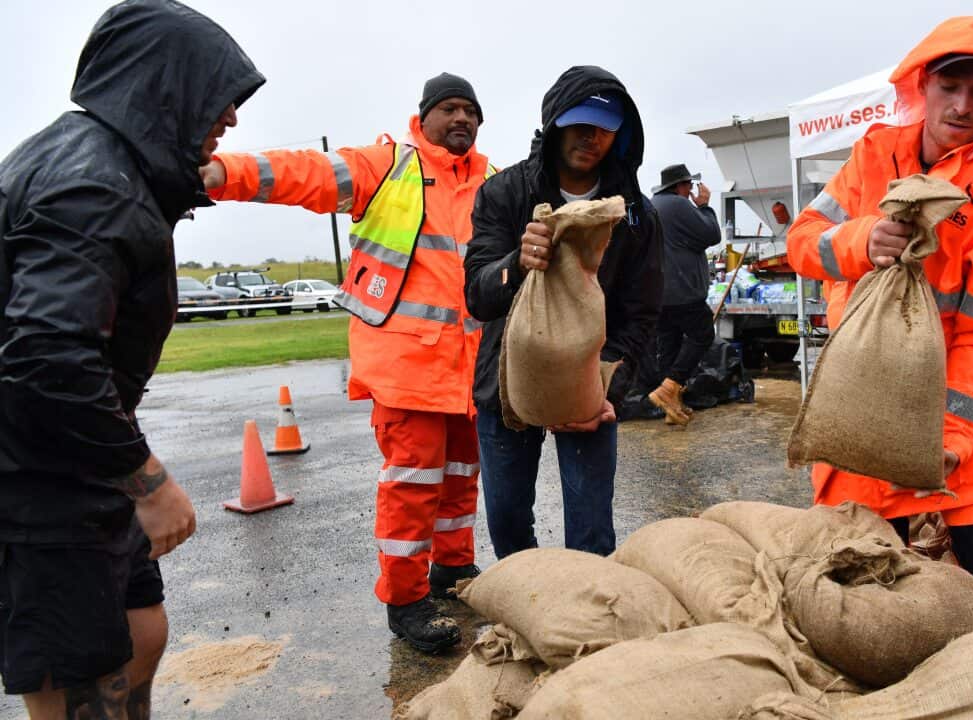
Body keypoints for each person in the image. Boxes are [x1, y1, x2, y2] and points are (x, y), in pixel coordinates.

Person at [0, 1, 262, 716]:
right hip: (40, 479)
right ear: (163, 88)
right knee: (83, 667)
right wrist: (146, 481)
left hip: (76, 467)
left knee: (139, 629)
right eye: (218, 94)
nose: (231, 117)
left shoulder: (106, 169)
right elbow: (47, 353)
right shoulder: (92, 186)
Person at [200, 73, 497, 654]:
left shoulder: (493, 182)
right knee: (413, 486)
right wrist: (219, 174)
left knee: (462, 480)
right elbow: (305, 173)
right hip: (406, 369)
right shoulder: (387, 165)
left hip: (469, 373)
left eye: (471, 111)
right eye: (449, 109)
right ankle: (406, 600)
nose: (461, 119)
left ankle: (454, 571)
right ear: (425, 117)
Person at [786, 16, 973, 614]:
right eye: (950, 86)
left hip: (967, 418)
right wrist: (860, 242)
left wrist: (952, 435)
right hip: (867, 402)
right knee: (849, 593)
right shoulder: (874, 154)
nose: (963, 106)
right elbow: (803, 241)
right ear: (921, 85)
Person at [465, 66, 663, 559]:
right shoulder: (505, 192)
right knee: (508, 523)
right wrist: (516, 263)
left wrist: (606, 387)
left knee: (592, 530)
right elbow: (477, 294)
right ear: (554, 121)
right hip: (508, 385)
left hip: (589, 389)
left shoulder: (634, 213)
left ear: (620, 133)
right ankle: (532, 608)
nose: (590, 137)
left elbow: (641, 313)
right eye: (579, 123)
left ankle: (588, 625)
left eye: (603, 126)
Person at [648, 163, 720, 426]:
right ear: (679, 186)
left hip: (658, 292)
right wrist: (704, 206)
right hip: (682, 290)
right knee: (703, 333)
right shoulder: (678, 206)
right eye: (688, 185)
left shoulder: (653, 204)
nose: (691, 190)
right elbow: (712, 234)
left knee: (669, 345)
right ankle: (670, 388)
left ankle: (672, 408)